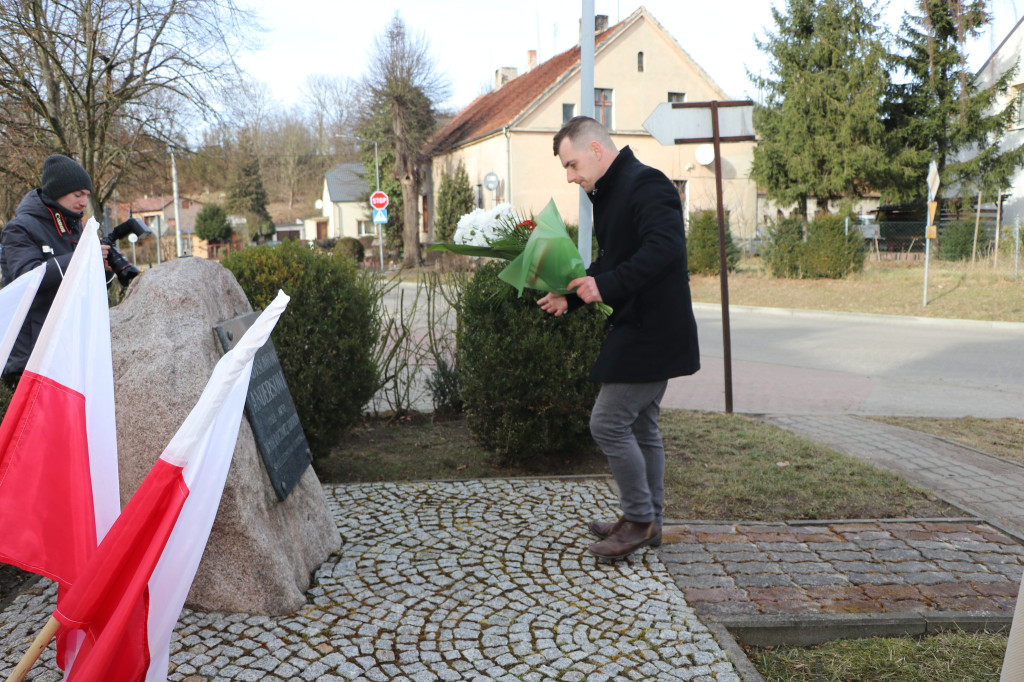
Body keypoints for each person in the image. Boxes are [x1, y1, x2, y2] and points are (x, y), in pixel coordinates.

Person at [538, 116, 700, 561]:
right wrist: (570, 298)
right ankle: (651, 520)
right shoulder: (609, 192)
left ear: (595, 150)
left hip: (654, 331)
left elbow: (665, 249)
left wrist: (605, 288)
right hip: (642, 327)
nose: (570, 177)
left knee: (607, 422)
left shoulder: (647, 184)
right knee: (642, 427)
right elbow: (613, 261)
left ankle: (638, 520)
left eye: (572, 165)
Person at [0, 154, 109, 384]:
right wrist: (81, 258)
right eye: (78, 195)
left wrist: (104, 271)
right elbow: (27, 279)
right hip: (30, 360)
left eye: (86, 196)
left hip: (68, 356)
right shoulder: (19, 229)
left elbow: (81, 288)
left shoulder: (76, 228)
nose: (83, 203)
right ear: (57, 191)